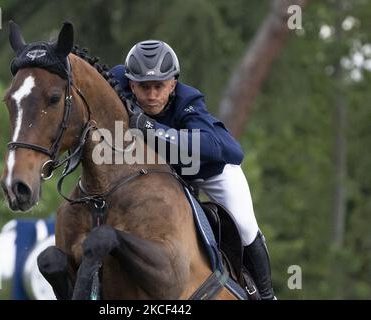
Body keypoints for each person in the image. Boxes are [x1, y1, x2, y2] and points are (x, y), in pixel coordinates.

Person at [110, 40, 275, 300]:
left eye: (159, 86)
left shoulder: (189, 101)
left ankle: (266, 296)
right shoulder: (117, 80)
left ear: (173, 83)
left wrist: (151, 128)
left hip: (212, 172)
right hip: (166, 175)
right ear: (131, 83)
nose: (152, 95)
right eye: (144, 87)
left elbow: (218, 147)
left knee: (245, 227)